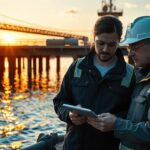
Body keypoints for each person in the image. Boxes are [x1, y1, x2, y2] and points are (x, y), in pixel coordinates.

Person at [53, 15, 135, 150]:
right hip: (73, 146)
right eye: (101, 43)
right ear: (93, 38)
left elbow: (136, 115)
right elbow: (59, 102)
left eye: (112, 44)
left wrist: (116, 122)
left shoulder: (130, 74)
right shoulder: (77, 67)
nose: (105, 49)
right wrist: (69, 115)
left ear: (119, 41)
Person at [88, 16, 150, 150]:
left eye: (135, 46)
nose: (131, 54)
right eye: (129, 48)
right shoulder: (141, 78)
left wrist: (116, 124)